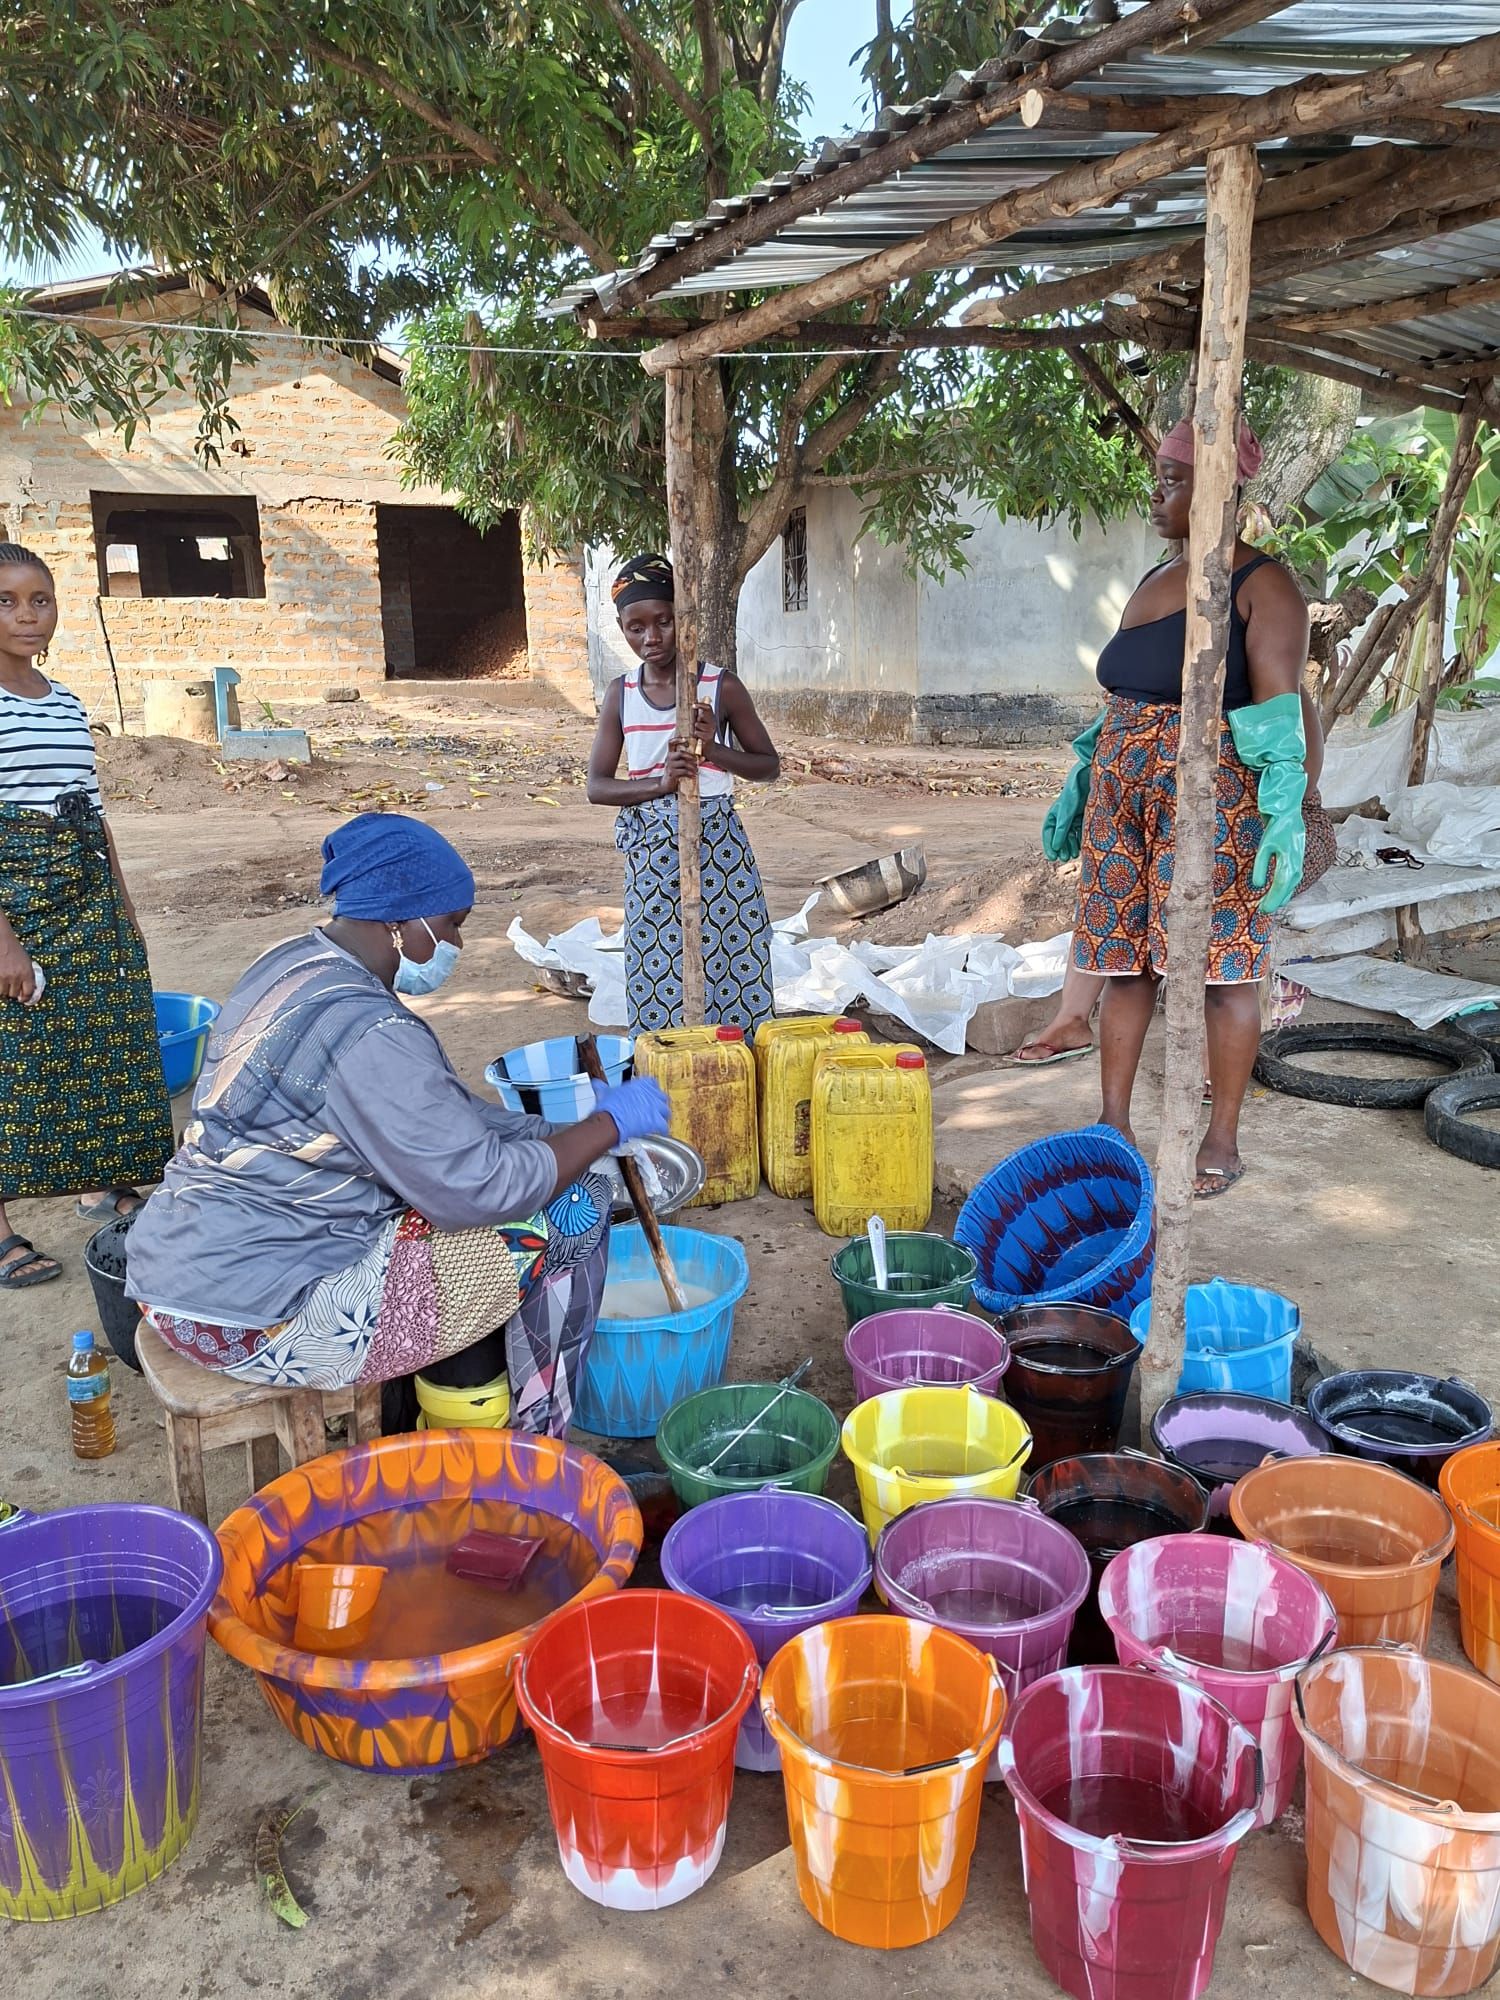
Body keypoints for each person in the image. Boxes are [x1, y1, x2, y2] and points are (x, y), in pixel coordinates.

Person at [125, 812, 671, 1436]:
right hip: (262, 1314)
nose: (457, 947)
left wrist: (561, 1133)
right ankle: (536, 1435)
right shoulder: (376, 1033)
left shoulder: (292, 966)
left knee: (535, 1179)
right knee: (579, 1203)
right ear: (399, 921)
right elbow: (482, 1190)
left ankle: (432, 1406)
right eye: (450, 926)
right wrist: (604, 1129)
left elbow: (446, 1119)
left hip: (177, 1271)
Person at [1040, 419, 1311, 1198]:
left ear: (1219, 487)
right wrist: (1088, 771)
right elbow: (1123, 692)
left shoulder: (1265, 587)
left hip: (1212, 801)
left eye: (1173, 478)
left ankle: (1221, 1136)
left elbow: (1279, 716)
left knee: (1224, 973)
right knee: (1125, 963)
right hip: (1123, 796)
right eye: (1157, 475)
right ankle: (1114, 1123)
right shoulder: (1160, 575)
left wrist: (1284, 812)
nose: (1156, 492)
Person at [0, 543, 172, 1289]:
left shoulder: (66, 702)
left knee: (102, 1033)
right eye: (7, 601)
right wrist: (3, 940)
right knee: (15, 1064)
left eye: (40, 599)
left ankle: (100, 1179)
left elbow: (93, 816)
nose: (28, 616)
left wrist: (124, 908)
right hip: (15, 900)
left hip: (84, 890)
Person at [1021, 688, 1338, 1065]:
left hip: (1277, 826)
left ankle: (1214, 1052)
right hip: (1176, 818)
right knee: (1115, 889)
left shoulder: (1274, 691)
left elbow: (1303, 780)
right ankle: (1071, 1018)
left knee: (1221, 888)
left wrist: (1273, 812)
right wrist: (1088, 779)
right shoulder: (1154, 688)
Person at [588, 553, 779, 1039]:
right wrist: (660, 784)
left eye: (664, 622)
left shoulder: (720, 688)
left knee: (734, 957)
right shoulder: (621, 693)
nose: (651, 638)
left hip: (719, 843)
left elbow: (768, 767)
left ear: (683, 619)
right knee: (657, 961)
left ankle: (738, 1065)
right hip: (651, 847)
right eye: (636, 628)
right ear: (621, 627)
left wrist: (714, 749)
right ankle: (667, 1073)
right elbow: (598, 786)